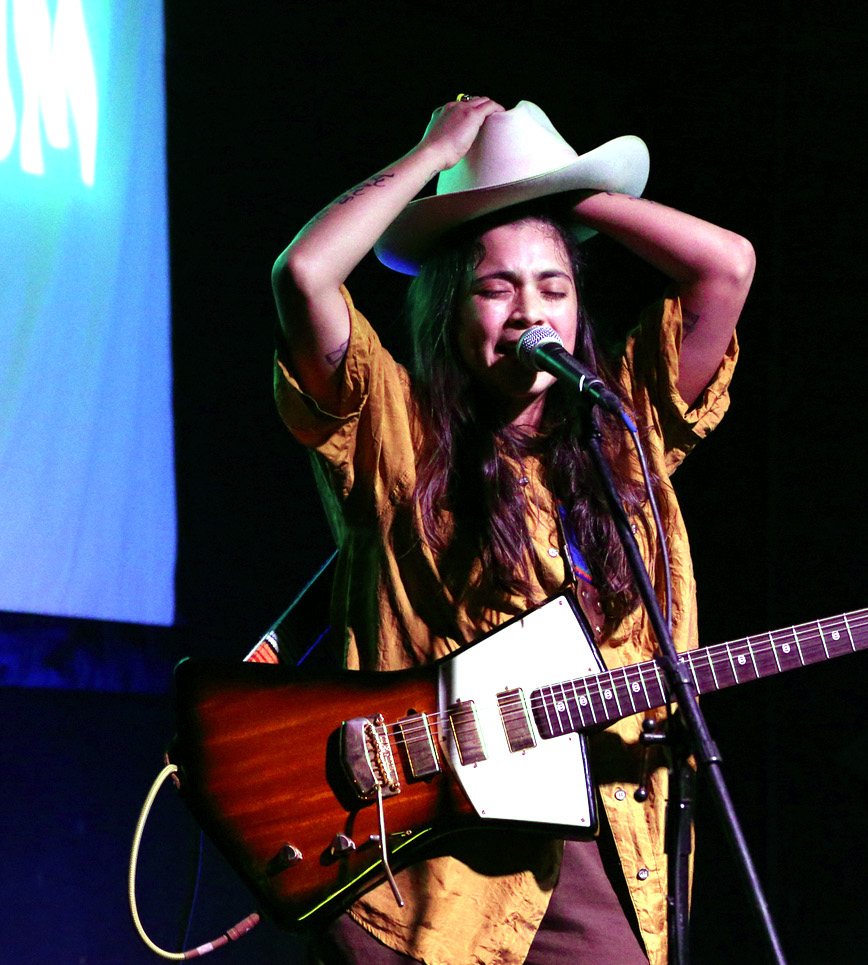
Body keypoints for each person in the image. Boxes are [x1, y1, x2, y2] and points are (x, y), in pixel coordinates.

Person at [270, 96, 754, 965]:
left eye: (553, 285)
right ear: (452, 309)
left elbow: (728, 266)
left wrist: (562, 196)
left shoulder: (625, 423)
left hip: (600, 845)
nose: (530, 309)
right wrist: (437, 157)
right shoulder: (396, 433)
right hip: (429, 877)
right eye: (496, 286)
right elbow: (304, 275)